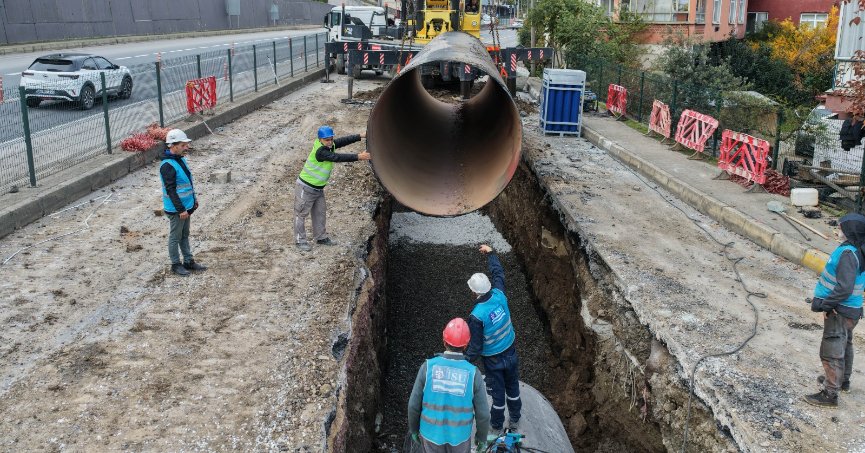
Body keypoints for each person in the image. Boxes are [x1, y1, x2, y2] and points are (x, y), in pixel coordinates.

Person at [805, 213, 865, 407]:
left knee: (831, 351)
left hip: (840, 310)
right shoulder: (858, 249)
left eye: (841, 227)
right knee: (845, 345)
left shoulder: (848, 254)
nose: (838, 229)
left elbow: (844, 288)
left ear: (850, 231)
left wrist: (827, 305)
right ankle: (842, 381)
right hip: (852, 309)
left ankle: (830, 394)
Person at [407, 318, 491, 453]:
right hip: (460, 438)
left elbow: (413, 405)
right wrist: (481, 438)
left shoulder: (427, 367)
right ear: (466, 346)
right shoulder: (473, 374)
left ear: (444, 341)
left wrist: (414, 429)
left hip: (430, 434)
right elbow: (483, 414)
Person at [465, 244, 521, 432]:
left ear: (474, 292)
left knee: (497, 394)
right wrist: (491, 254)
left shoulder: (477, 316)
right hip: (510, 351)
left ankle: (496, 425)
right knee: (513, 387)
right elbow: (499, 274)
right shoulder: (499, 294)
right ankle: (515, 419)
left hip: (493, 359)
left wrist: (463, 360)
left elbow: (476, 346)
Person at [294, 125, 371, 252]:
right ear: (320, 139)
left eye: (331, 139)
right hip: (306, 187)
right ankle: (300, 241)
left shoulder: (329, 145)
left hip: (318, 188)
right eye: (327, 140)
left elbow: (342, 141)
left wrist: (360, 136)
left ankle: (321, 237)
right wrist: (359, 156)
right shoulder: (321, 151)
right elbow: (337, 157)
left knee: (320, 213)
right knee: (301, 214)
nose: (330, 142)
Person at [160, 129, 207, 277]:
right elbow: (171, 190)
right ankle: (176, 265)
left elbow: (187, 184)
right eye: (183, 145)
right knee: (175, 237)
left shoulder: (180, 160)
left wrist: (193, 201)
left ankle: (188, 261)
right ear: (173, 146)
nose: (186, 147)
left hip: (186, 207)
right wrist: (181, 210)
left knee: (185, 235)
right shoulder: (167, 166)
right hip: (177, 210)